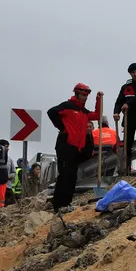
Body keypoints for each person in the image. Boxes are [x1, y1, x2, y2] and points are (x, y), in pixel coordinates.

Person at [47, 83, 101, 212]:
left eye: (87, 95)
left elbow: (97, 115)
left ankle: (66, 203)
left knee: (72, 176)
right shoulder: (67, 106)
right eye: (83, 95)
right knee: (65, 175)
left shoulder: (83, 111)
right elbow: (51, 112)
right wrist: (62, 128)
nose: (85, 97)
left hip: (77, 147)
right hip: (65, 144)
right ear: (76, 94)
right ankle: (58, 205)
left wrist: (98, 100)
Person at [114, 62, 136, 174]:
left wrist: (129, 103)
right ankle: (127, 167)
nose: (135, 74)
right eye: (133, 72)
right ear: (130, 74)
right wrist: (116, 112)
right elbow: (119, 102)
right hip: (129, 119)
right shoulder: (126, 87)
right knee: (127, 144)